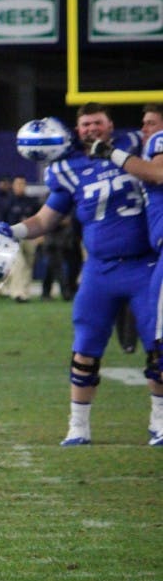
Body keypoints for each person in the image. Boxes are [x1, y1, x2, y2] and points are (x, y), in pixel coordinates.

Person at [0, 102, 160, 446]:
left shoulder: (135, 146)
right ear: (76, 130)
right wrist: (13, 231)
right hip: (99, 269)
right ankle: (78, 426)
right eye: (84, 125)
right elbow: (45, 219)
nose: (90, 129)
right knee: (85, 347)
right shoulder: (67, 168)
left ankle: (158, 422)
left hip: (143, 266)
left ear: (110, 124)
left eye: (96, 122)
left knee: (158, 349)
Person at [87, 103, 163, 445]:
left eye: (151, 123)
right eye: (144, 124)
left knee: (160, 343)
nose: (146, 129)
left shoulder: (158, 141)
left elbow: (157, 173)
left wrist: (111, 153)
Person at [0, 175, 42, 302]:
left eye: (23, 184)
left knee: (29, 264)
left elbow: (39, 220)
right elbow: (1, 221)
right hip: (13, 238)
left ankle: (25, 292)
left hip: (30, 237)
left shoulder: (31, 202)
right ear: (13, 185)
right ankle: (17, 293)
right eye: (18, 184)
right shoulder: (8, 202)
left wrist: (40, 235)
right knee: (19, 264)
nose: (20, 186)